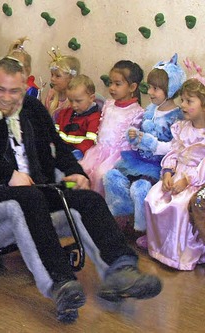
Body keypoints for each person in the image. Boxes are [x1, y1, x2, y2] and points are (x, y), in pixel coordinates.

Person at [0, 57, 162, 323]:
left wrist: (75, 172)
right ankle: (60, 284)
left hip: (36, 192)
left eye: (14, 91)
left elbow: (57, 147)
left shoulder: (32, 108)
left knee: (88, 200)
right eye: (0, 90)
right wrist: (7, 175)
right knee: (27, 198)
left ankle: (121, 270)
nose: (7, 98)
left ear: (25, 87)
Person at [104, 54, 185, 239]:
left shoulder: (176, 116)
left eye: (156, 89)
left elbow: (175, 147)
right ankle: (121, 215)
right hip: (138, 159)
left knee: (139, 188)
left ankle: (142, 229)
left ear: (170, 90)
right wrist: (133, 136)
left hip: (158, 164)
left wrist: (151, 143)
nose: (150, 92)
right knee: (111, 176)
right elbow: (138, 129)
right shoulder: (150, 109)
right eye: (150, 87)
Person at [143, 63, 205, 271]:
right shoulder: (182, 128)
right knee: (153, 196)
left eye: (189, 101)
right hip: (177, 173)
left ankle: (181, 252)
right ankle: (158, 246)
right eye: (183, 100)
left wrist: (187, 181)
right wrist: (168, 172)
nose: (184, 106)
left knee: (179, 205)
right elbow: (174, 153)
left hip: (196, 180)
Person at [79, 60, 145, 196]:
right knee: (82, 169)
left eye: (117, 84)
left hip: (119, 155)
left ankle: (101, 209)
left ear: (132, 87)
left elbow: (133, 143)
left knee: (100, 174)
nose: (112, 88)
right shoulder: (108, 104)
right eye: (110, 83)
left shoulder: (137, 111)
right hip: (99, 150)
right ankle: (81, 203)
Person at [54, 74, 100, 160]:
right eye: (71, 100)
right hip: (61, 151)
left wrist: (78, 153)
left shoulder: (94, 118)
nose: (74, 105)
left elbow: (90, 141)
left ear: (91, 98)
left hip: (80, 155)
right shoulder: (64, 113)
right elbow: (55, 132)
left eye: (78, 101)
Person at [42, 48, 80, 121]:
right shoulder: (51, 95)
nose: (52, 79)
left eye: (57, 76)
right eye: (52, 75)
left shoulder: (75, 101)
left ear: (71, 78)